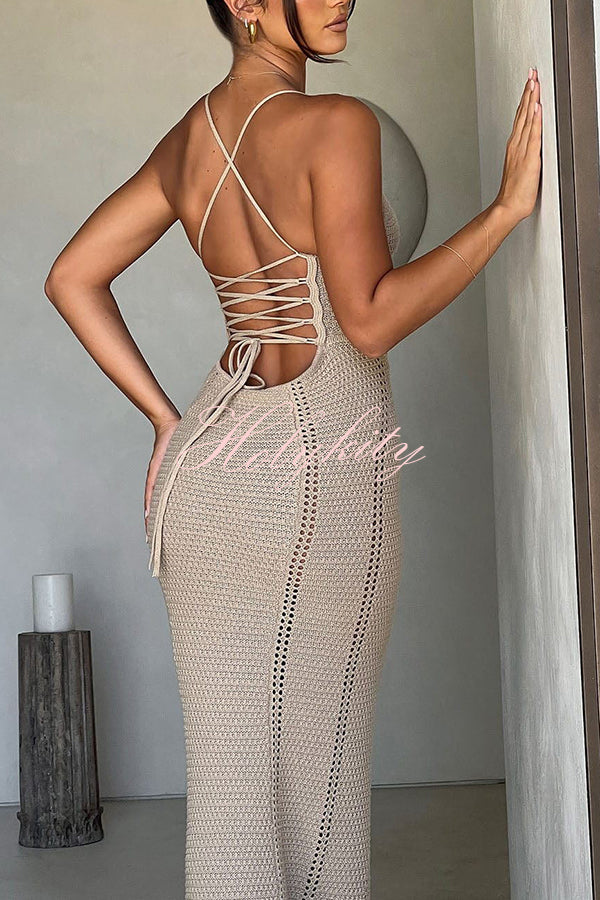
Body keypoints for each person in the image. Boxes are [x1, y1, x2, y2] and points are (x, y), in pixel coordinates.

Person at [44, 0, 542, 895]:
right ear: (243, 4)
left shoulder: (188, 142)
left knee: (231, 788)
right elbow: (369, 322)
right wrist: (503, 213)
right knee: (325, 783)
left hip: (206, 480)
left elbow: (71, 276)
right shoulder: (337, 125)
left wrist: (166, 423)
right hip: (322, 480)